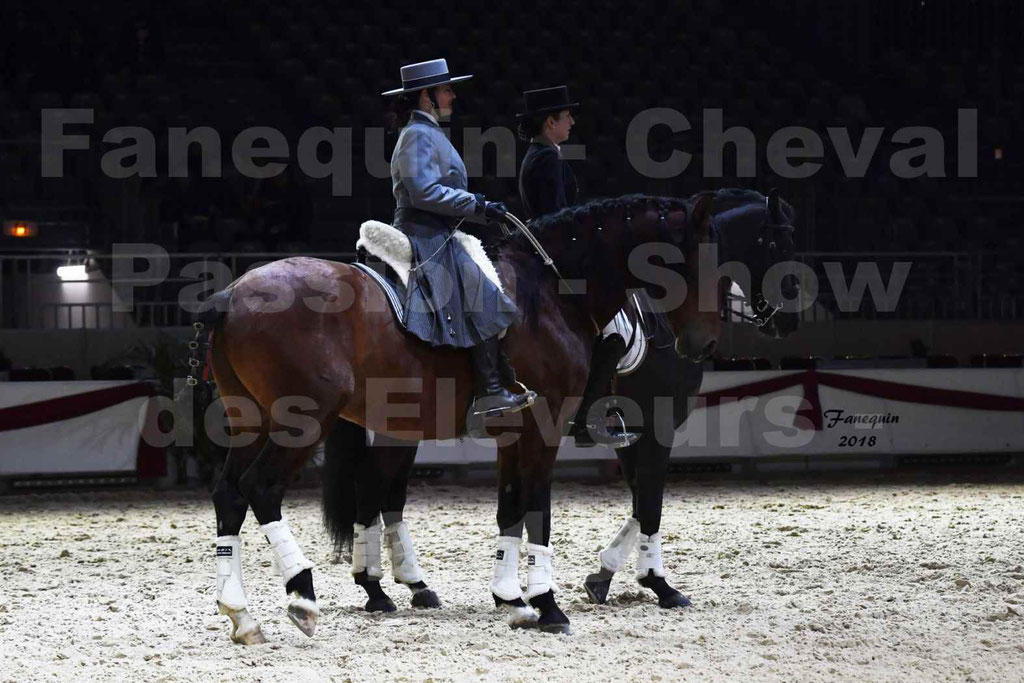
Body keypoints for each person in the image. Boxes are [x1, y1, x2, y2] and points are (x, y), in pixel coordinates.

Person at [384, 59, 534, 422]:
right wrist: (476, 203)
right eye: (446, 89)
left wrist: (480, 208)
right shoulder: (418, 134)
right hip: (425, 233)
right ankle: (490, 391)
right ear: (427, 96)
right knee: (480, 289)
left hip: (439, 229)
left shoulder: (428, 132)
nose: (452, 95)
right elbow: (422, 191)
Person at [517, 86, 638, 448]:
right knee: (616, 329)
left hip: (547, 252)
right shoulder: (547, 160)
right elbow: (559, 219)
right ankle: (588, 418)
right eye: (566, 116)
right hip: (557, 259)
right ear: (550, 121)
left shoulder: (539, 155)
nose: (572, 121)